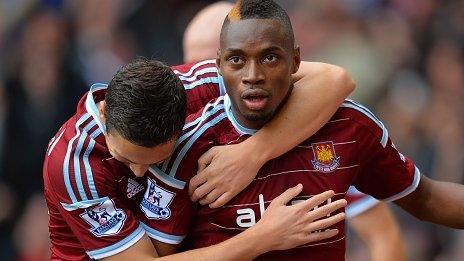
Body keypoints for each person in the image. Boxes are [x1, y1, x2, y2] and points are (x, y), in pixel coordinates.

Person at [149, 0, 464, 260]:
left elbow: (425, 201)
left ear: (296, 60)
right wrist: (262, 238)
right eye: (236, 59)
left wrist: (253, 153)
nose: (253, 75)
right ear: (217, 65)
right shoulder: (184, 142)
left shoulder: (346, 127)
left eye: (270, 57)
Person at [43, 53, 355, 259]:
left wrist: (252, 154)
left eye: (153, 161)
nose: (138, 173)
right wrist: (264, 236)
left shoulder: (196, 85)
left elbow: (334, 79)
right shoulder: (73, 165)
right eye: (125, 158)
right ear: (106, 113)